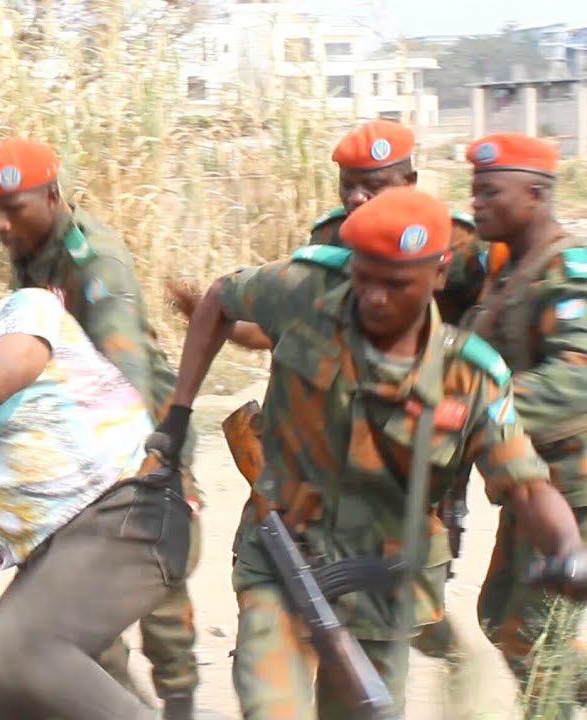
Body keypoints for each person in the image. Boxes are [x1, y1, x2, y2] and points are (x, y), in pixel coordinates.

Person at [158, 185, 587, 719]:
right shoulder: (306, 291)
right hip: (283, 552)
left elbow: (525, 484)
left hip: (383, 592)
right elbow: (222, 297)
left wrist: (568, 550)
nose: (376, 298)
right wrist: (178, 412)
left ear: (438, 274)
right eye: (364, 278)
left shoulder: (470, 376)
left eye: (397, 284)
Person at [0, 247, 195, 720]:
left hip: (131, 518)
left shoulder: (25, 311)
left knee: (20, 653)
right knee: (6, 691)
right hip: (71, 545)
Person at [0, 137, 200, 718]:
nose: (0, 224)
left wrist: (139, 464)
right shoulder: (33, 248)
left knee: (152, 579)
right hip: (76, 438)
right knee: (78, 586)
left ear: (52, 196)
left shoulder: (94, 260)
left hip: (138, 436)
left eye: (13, 208)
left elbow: (125, 372)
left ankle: (179, 701)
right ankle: (111, 694)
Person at [171, 118, 488, 350]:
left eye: (374, 186)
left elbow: (487, 328)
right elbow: (288, 327)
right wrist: (211, 316)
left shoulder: (455, 239)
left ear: (409, 180)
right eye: (348, 185)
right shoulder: (331, 236)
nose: (357, 198)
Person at [462, 132, 587, 719]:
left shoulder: (568, 271)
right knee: (497, 616)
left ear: (536, 194)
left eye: (490, 190)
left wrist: (479, 410)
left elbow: (576, 378)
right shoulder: (507, 269)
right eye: (473, 190)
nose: (476, 201)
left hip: (573, 484)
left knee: (536, 641)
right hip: (529, 480)